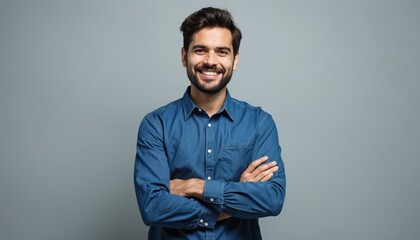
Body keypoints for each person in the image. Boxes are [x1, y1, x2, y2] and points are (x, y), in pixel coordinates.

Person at [134, 7, 286, 240]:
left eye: (222, 52)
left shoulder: (259, 123)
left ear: (235, 60)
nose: (211, 61)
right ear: (185, 57)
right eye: (200, 50)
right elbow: (153, 207)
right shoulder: (156, 125)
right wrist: (237, 192)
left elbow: (272, 199)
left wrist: (192, 186)